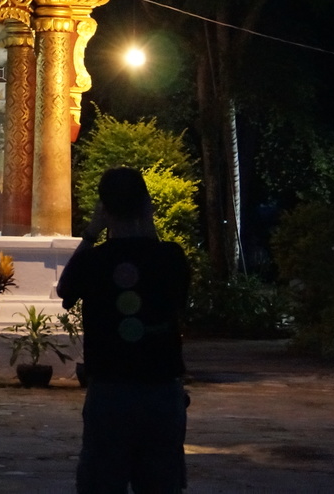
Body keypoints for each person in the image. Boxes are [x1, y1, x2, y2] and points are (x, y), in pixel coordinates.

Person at [57, 167, 190, 494]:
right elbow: (180, 299)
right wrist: (147, 225)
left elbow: (65, 290)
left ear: (104, 210)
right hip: (161, 390)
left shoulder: (93, 261)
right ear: (147, 205)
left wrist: (91, 234)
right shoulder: (170, 257)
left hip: (109, 391)